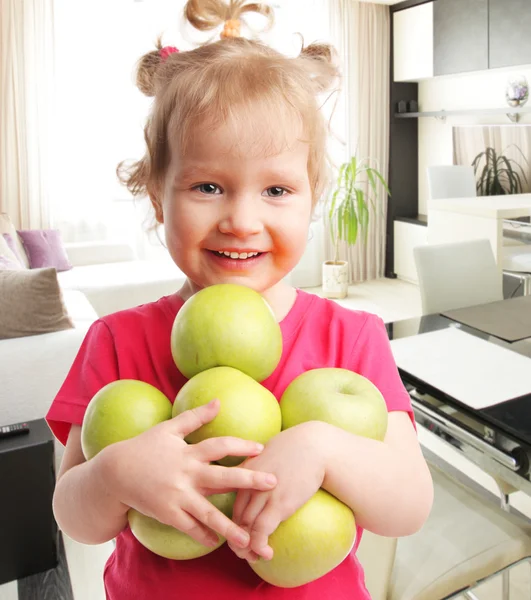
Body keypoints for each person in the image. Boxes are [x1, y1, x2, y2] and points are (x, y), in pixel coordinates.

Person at [47, 1, 433, 598]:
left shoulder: (350, 337)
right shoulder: (118, 341)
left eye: (276, 189)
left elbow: (408, 506)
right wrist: (117, 475)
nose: (242, 221)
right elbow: (74, 514)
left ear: (312, 198)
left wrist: (324, 447)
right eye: (208, 186)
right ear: (157, 197)